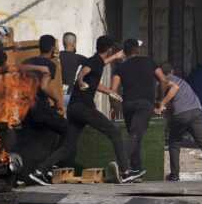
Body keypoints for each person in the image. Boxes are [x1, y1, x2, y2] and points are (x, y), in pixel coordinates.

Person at [28, 36, 143, 185]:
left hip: (74, 109)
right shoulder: (93, 62)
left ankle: (39, 171)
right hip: (84, 108)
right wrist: (81, 81)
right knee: (114, 132)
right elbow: (84, 72)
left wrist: (109, 91)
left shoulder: (96, 61)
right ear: (108, 50)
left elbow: (95, 76)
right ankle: (126, 172)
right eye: (112, 50)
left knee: (68, 146)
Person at [111, 39, 168, 174]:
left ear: (124, 52)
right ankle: (121, 164)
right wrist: (160, 100)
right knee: (135, 135)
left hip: (128, 105)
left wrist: (114, 107)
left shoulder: (120, 68)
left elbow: (113, 91)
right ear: (137, 50)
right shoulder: (149, 62)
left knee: (134, 134)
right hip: (145, 104)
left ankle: (136, 169)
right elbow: (164, 80)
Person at [157, 63, 202, 181]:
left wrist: (162, 105)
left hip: (181, 114)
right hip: (196, 111)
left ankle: (175, 175)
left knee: (174, 143)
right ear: (172, 71)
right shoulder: (182, 81)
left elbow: (170, 101)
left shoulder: (164, 82)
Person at [22, 34, 68, 143]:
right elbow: (43, 86)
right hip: (40, 109)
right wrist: (57, 100)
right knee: (67, 129)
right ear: (52, 48)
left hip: (26, 111)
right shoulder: (50, 65)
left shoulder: (27, 62)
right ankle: (58, 158)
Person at [59, 32, 84, 108]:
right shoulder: (78, 58)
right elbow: (93, 64)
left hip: (56, 95)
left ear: (63, 43)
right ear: (74, 43)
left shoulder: (57, 56)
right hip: (70, 95)